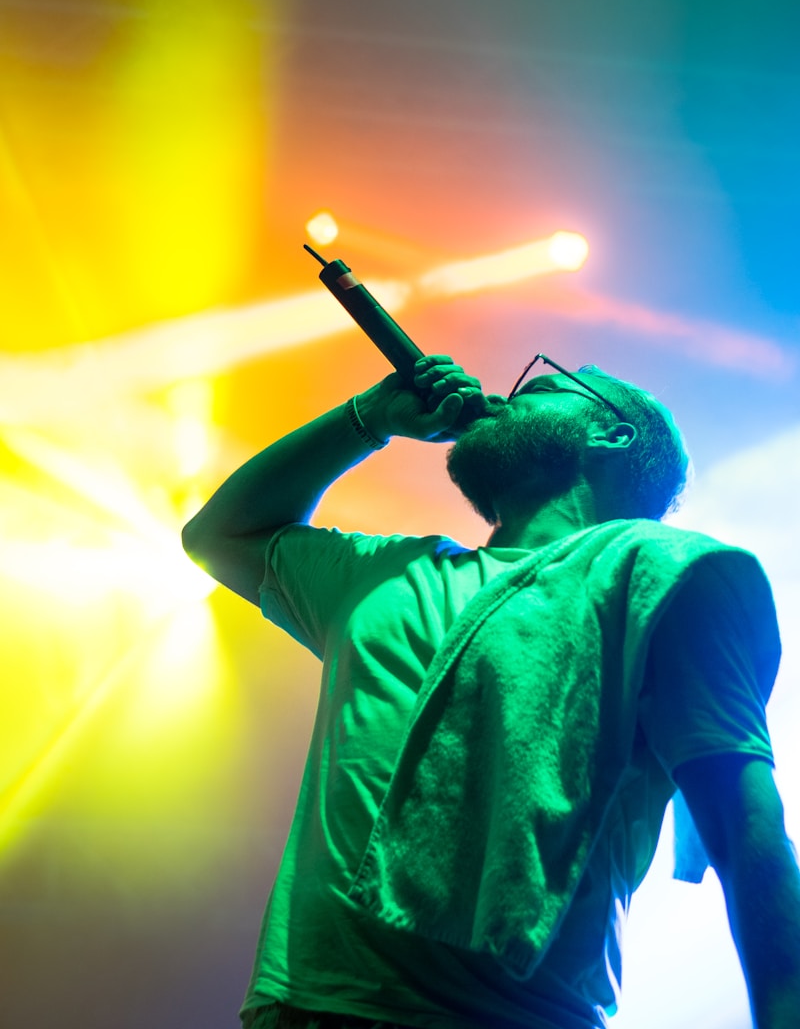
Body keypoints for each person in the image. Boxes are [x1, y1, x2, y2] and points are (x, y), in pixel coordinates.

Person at [182, 354, 800, 1029]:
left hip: (514, 1017)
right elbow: (219, 536)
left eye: (538, 386)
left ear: (613, 434)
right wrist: (370, 419)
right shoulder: (388, 572)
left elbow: (746, 828)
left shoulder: (665, 572)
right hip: (306, 1008)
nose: (504, 397)